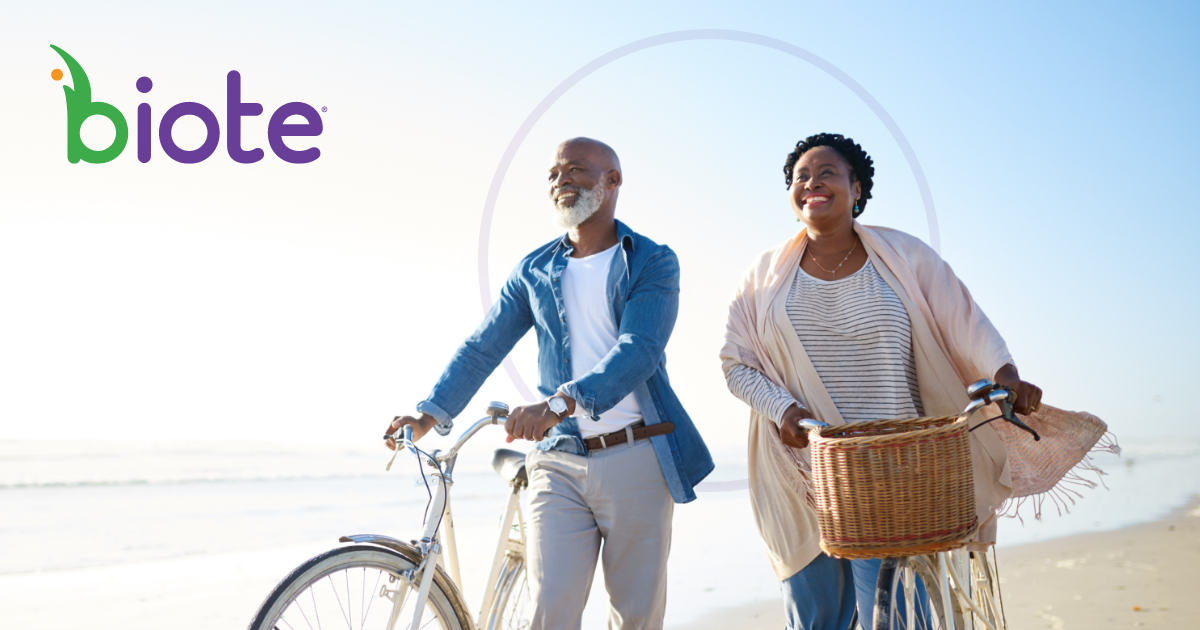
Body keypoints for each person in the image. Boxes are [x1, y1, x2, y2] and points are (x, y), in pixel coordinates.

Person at [719, 133, 1110, 630]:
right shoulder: (762, 276)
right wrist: (785, 411)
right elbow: (736, 364)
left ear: (856, 188)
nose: (811, 183)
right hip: (800, 469)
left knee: (897, 619)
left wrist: (1005, 373)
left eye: (827, 174)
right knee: (815, 621)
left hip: (893, 468)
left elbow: (965, 321)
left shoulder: (904, 255)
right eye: (800, 177)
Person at [386, 137, 713, 630]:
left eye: (576, 169)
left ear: (612, 181)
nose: (561, 180)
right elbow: (482, 347)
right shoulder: (534, 269)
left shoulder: (652, 261)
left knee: (635, 617)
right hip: (558, 461)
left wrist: (561, 402)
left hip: (637, 458)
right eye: (554, 174)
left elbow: (639, 350)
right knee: (549, 613)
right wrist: (428, 414)